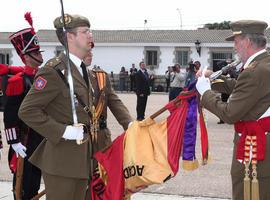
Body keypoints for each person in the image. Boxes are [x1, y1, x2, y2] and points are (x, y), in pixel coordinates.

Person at [18, 14, 128, 200]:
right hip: (64, 160)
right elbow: (27, 111)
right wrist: (64, 131)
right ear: (70, 37)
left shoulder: (89, 73)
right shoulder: (53, 71)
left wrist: (131, 125)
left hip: (90, 157)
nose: (91, 35)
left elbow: (108, 101)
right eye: (85, 32)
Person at [196, 20, 270, 199]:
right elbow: (243, 88)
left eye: (236, 41)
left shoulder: (254, 71)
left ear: (247, 42)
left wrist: (205, 93)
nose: (235, 47)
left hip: (254, 148)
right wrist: (211, 79)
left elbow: (229, 113)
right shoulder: (263, 64)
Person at [3, 12, 44, 199]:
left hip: (40, 137)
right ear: (27, 56)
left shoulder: (41, 77)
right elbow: (10, 115)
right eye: (35, 52)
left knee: (35, 180)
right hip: (24, 139)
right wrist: (14, 142)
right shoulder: (17, 81)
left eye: (38, 51)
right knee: (23, 184)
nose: (39, 55)